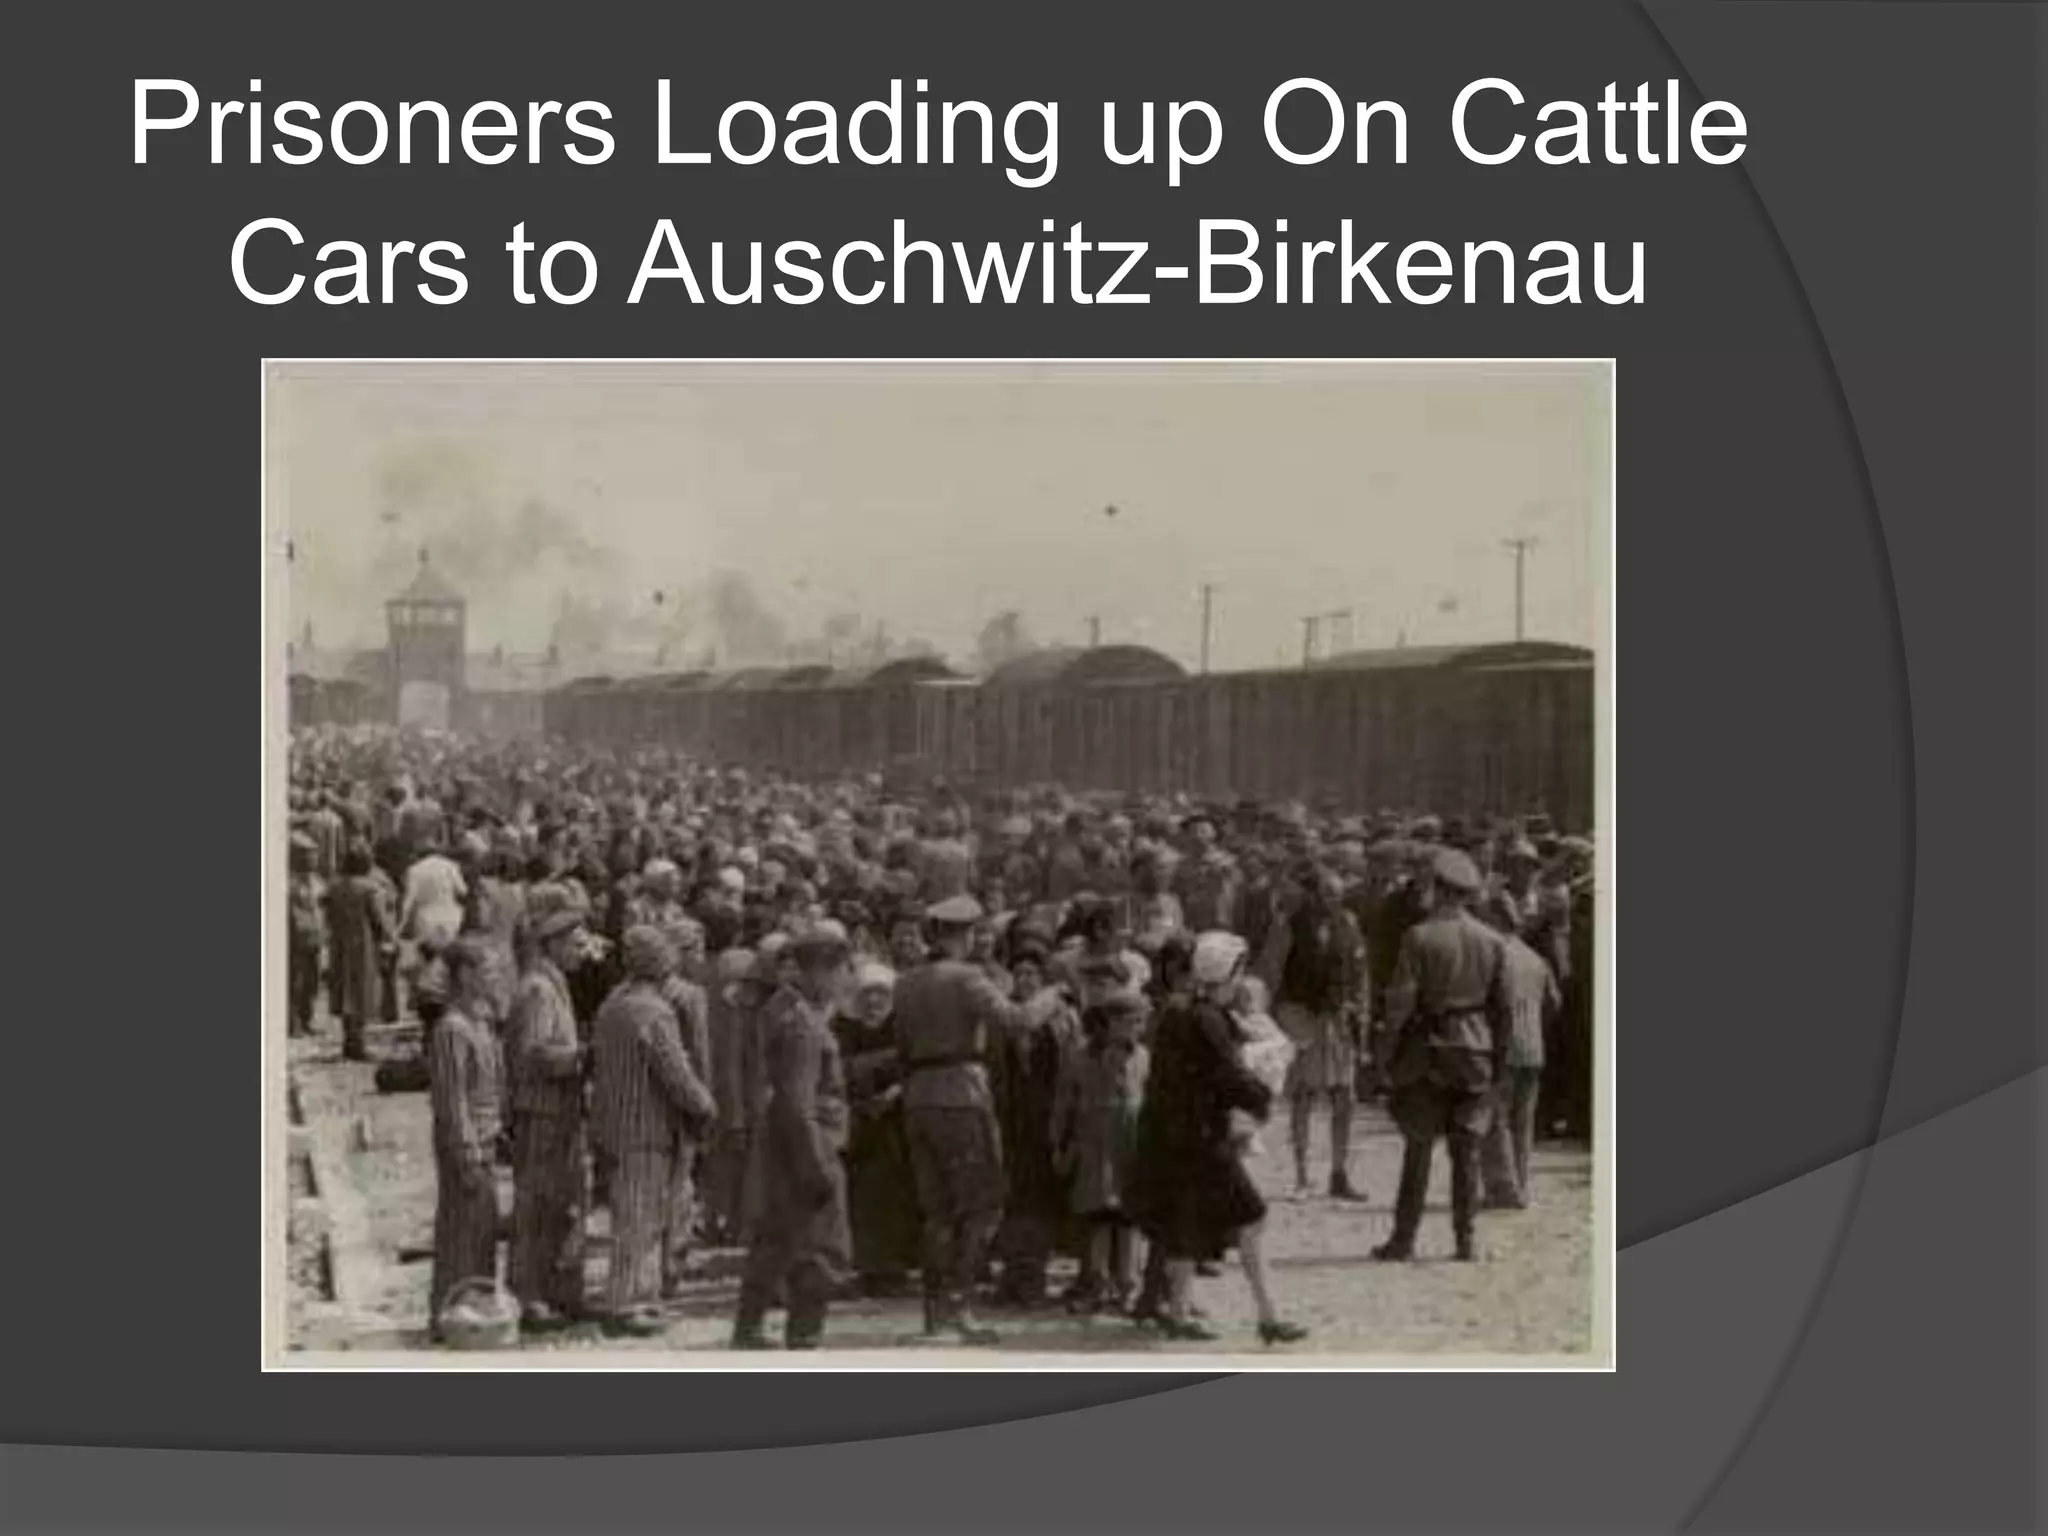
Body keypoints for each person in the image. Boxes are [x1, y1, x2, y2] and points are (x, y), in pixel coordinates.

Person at [1127, 930, 1304, 1344]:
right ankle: (1267, 1316)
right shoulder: (1209, 1019)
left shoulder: (1180, 1012)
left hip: (1173, 1139)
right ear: (1229, 973)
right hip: (1204, 1141)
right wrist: (1262, 1096)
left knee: (1185, 1228)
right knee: (1253, 1217)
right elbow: (1230, 1077)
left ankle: (1180, 1313)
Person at [891, 894, 1023, 1345]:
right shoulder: (968, 977)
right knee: (982, 1204)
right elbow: (1014, 1021)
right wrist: (1050, 999)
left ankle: (934, 1314)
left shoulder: (905, 982)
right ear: (964, 935)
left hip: (918, 1097)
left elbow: (902, 1046)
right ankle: (959, 1305)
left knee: (936, 1211)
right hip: (962, 1095)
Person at [1374, 848, 1512, 1263]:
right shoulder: (1492, 940)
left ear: (1437, 888)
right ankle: (1465, 1240)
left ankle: (1403, 1239)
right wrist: (1499, 1065)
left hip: (1428, 1050)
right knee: (1466, 1153)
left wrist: (1385, 1054)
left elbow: (1401, 1003)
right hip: (1476, 1052)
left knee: (1418, 1149)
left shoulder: (1419, 936)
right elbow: (1503, 1010)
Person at [589, 926, 719, 1337]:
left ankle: (635, 1297)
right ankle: (628, 1302)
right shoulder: (654, 1012)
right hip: (646, 1127)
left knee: (629, 1215)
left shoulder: (612, 1004)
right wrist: (705, 1105)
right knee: (641, 1220)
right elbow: (675, 1072)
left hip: (613, 1124)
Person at [732, 928, 855, 1350]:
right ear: (820, 970)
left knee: (776, 1239)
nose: (843, 980)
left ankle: (749, 1329)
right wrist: (816, 1166)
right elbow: (799, 1102)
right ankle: (804, 1336)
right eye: (840, 971)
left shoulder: (782, 1009)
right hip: (807, 1144)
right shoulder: (802, 1024)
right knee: (819, 1247)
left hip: (783, 1144)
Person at [1258, 867, 1368, 1201]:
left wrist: (1360, 1009)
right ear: (1312, 894)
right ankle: (1302, 1176)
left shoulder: (1349, 922)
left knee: (1344, 1097)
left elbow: (1360, 969)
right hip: (1302, 1016)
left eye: (1338, 893)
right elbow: (1271, 970)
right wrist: (1277, 1021)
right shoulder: (1290, 925)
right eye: (1328, 892)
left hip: (1338, 1019)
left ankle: (1339, 1173)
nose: (1335, 899)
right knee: (1303, 1096)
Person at [504, 908, 590, 1331]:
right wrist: (582, 1058)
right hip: (541, 1112)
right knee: (536, 1206)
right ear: (553, 945)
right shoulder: (538, 989)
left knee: (559, 1206)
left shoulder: (553, 983)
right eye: (576, 944)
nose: (582, 952)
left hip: (558, 1110)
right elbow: (534, 1052)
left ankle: (554, 1291)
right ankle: (529, 1296)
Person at [1050, 987, 1148, 1315]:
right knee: (1098, 1216)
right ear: (1112, 1022)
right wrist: (1059, 1143)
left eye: (1140, 1022)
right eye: (1132, 1022)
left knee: (1130, 1216)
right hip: (1094, 1143)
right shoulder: (1081, 1056)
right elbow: (1064, 1103)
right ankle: (1096, 1283)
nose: (1138, 1029)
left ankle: (1129, 1285)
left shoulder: (1142, 1056)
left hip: (1130, 1142)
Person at [426, 937, 505, 1342]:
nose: (496, 977)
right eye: (489, 970)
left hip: (485, 1138)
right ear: (466, 975)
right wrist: (467, 1151)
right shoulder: (452, 1029)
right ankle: (449, 1315)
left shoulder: (481, 1022)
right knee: (461, 1232)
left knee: (481, 1234)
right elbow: (452, 1099)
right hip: (466, 1144)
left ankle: (473, 1313)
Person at [831, 961, 921, 1296]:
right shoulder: (844, 1029)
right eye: (867, 994)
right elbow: (835, 1070)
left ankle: (896, 1268)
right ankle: (868, 1267)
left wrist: (894, 1093)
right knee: (863, 1197)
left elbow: (915, 1068)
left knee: (898, 1194)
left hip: (897, 1120)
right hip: (860, 1124)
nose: (873, 1002)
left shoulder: (904, 1028)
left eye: (881, 994)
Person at [1479, 902, 1560, 1210]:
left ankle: (1503, 1188)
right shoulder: (1536, 959)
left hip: (1503, 1047)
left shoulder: (1495, 956)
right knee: (1523, 1123)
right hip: (1533, 1046)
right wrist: (1536, 1024)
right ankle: (1522, 1184)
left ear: (1496, 920)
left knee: (1497, 1121)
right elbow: (1554, 1001)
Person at [322, 842, 393, 1062]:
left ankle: (348, 1040)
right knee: (361, 991)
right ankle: (358, 1043)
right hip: (363, 944)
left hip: (339, 943)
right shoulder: (370, 888)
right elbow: (379, 919)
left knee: (344, 990)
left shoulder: (333, 887)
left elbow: (327, 913)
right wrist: (389, 938)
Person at [287, 836, 325, 1039]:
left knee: (312, 981)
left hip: (315, 938)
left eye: (313, 854)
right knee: (296, 981)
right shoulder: (288, 883)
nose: (313, 859)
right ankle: (293, 1022)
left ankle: (307, 1019)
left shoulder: (317, 880)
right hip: (297, 940)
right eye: (307, 855)